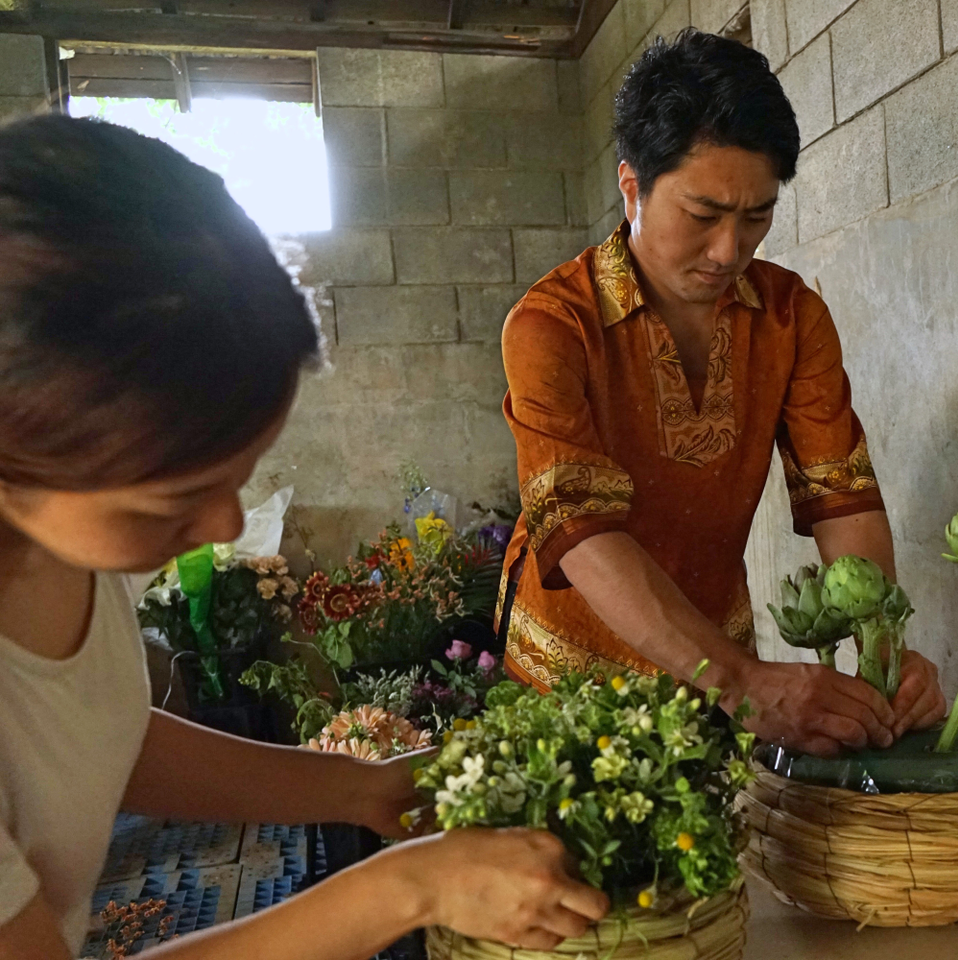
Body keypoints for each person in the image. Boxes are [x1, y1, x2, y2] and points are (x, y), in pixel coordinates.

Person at [0, 115, 608, 960]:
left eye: (237, 475)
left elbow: (99, 737)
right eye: (176, 499)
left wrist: (361, 787)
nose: (224, 526)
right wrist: (409, 887)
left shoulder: (59, 540)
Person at [496, 29, 947, 758]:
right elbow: (580, 531)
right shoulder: (552, 325)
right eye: (703, 216)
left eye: (757, 216)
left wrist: (884, 652)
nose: (729, 251)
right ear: (632, 186)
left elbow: (843, 495)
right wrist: (742, 684)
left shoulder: (792, 316)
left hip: (719, 651)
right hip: (571, 676)